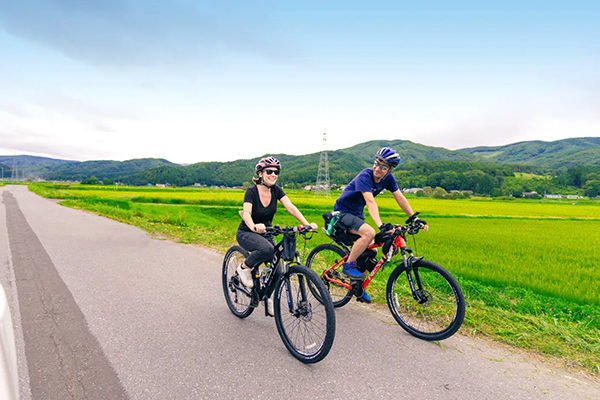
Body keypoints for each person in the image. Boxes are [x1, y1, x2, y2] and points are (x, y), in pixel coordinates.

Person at [332, 147, 428, 303]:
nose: (377, 168)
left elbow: (400, 197)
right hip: (342, 212)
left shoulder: (389, 179)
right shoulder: (365, 175)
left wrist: (413, 218)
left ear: (390, 169)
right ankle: (348, 267)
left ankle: (358, 287)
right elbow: (370, 202)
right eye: (377, 163)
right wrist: (380, 225)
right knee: (369, 233)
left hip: (356, 214)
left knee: (372, 250)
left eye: (383, 166)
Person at [236, 156, 318, 313]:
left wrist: (306, 224)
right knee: (266, 250)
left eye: (276, 172)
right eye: (269, 171)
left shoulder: (276, 190)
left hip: (267, 232)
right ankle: (243, 268)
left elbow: (291, 207)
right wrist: (253, 226)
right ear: (260, 173)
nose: (273, 174)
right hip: (247, 231)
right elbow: (246, 212)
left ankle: (265, 297)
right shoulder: (251, 191)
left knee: (278, 270)